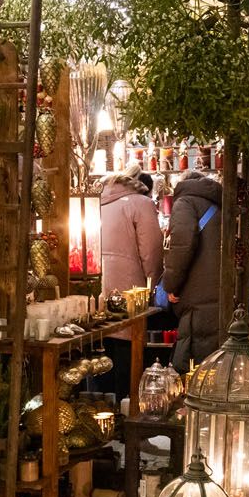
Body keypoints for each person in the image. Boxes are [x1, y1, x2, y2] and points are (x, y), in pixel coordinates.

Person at [99, 165, 163, 397]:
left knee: (100, 349)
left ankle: (100, 409)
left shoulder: (99, 201)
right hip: (130, 289)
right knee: (128, 352)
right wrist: (152, 284)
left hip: (98, 287)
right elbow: (152, 252)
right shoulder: (142, 204)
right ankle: (127, 408)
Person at [162, 173, 223, 371]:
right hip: (219, 292)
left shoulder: (185, 203)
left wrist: (171, 286)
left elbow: (182, 245)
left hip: (195, 297)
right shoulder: (219, 204)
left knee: (194, 367)